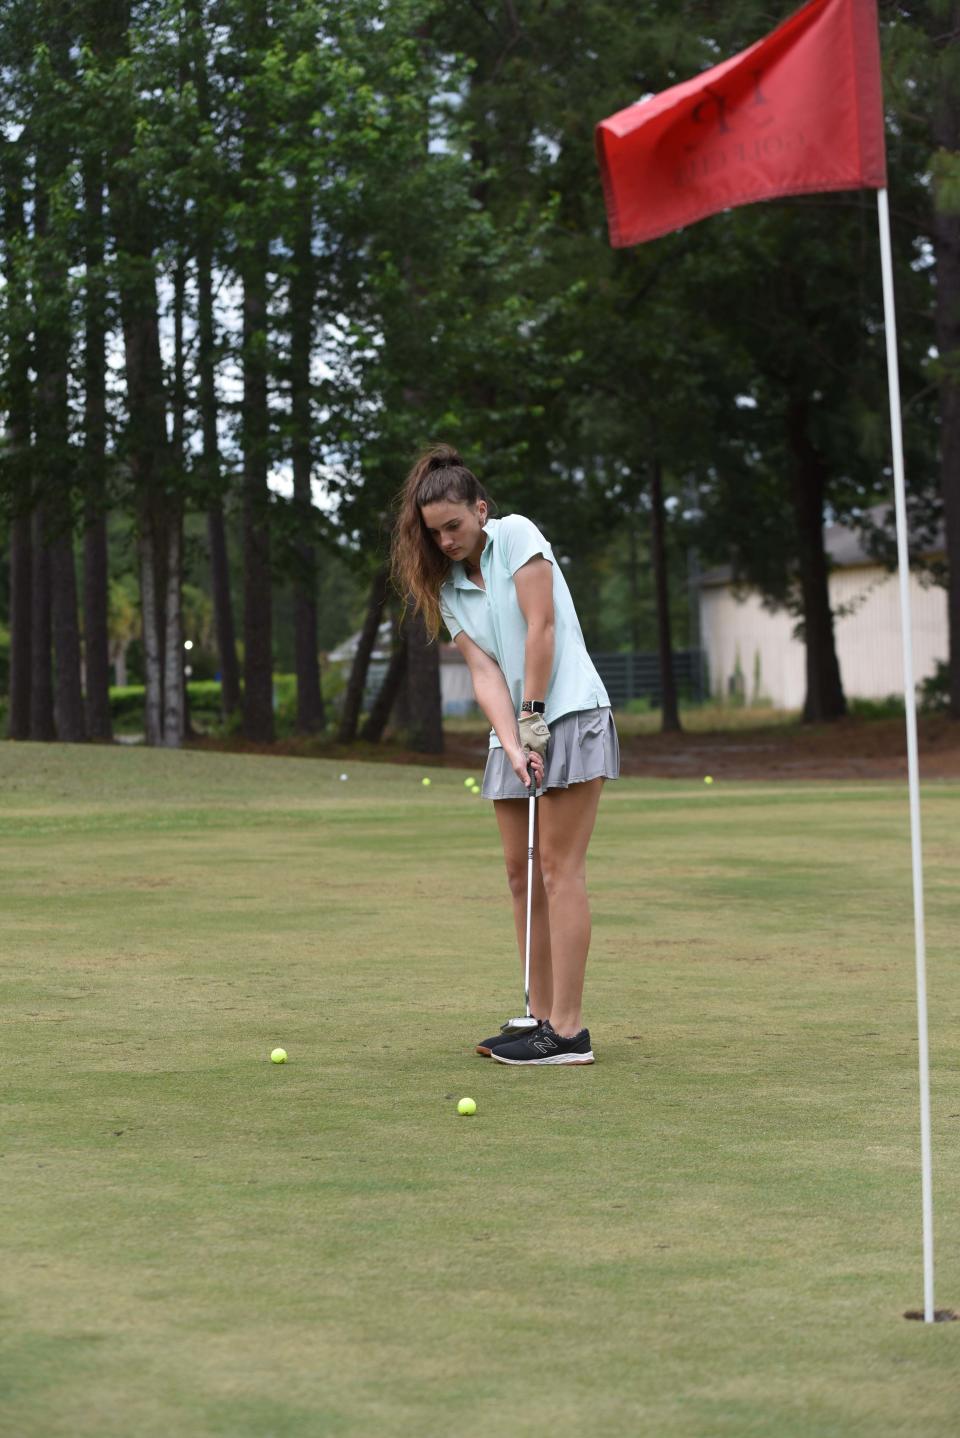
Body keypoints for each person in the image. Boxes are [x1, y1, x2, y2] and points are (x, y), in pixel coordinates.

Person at [391, 444, 619, 1066]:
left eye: (454, 526)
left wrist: (535, 719)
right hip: (514, 731)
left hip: (567, 712)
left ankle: (568, 1032)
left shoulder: (517, 535)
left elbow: (540, 626)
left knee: (557, 870)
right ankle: (539, 1016)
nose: (445, 540)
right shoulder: (448, 589)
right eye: (433, 532)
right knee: (522, 879)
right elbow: (485, 672)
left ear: (480, 510)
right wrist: (513, 742)